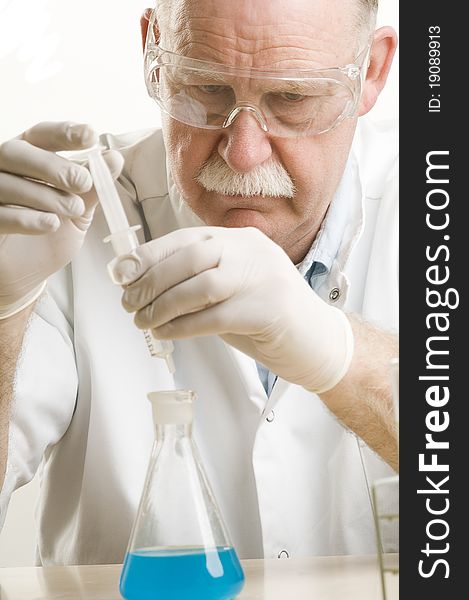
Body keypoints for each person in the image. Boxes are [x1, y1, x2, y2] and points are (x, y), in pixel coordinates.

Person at [0, 0, 398, 565]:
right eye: (205, 90)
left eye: (293, 99)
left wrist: (342, 357)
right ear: (153, 54)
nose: (243, 154)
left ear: (372, 71)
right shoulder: (64, 219)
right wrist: (4, 310)